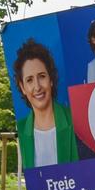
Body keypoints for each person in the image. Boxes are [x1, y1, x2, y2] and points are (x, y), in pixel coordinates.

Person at [12, 39, 81, 168]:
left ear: (51, 79)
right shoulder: (20, 129)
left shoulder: (75, 119)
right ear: (22, 87)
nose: (37, 87)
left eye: (42, 76)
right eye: (30, 80)